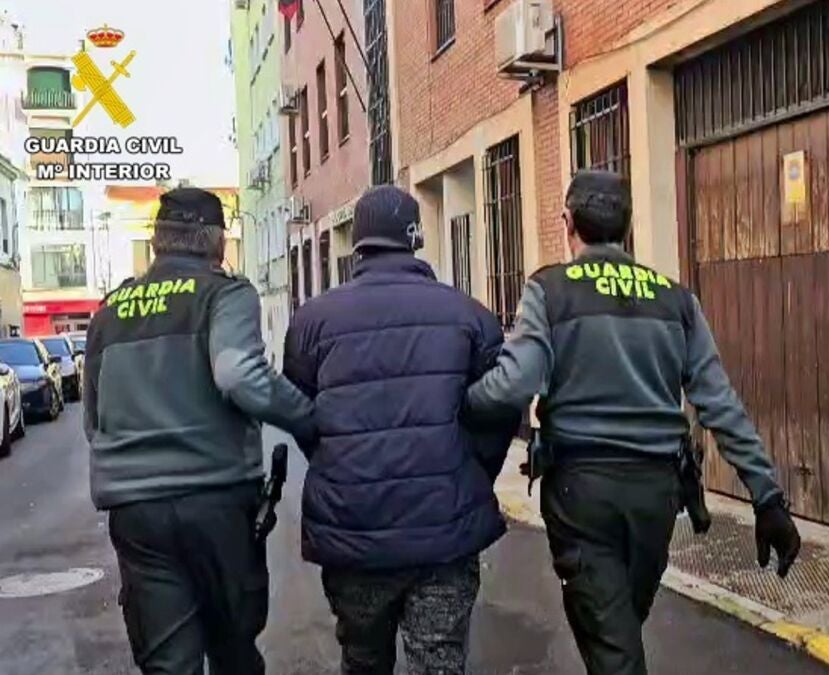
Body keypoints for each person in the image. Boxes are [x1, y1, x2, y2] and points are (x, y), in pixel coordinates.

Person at [465, 170, 803, 675]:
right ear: (627, 226)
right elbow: (719, 403)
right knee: (620, 632)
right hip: (656, 496)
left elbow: (515, 382)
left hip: (582, 495)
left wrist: (463, 402)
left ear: (567, 222)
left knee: (614, 646)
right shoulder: (674, 299)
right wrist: (767, 496)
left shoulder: (549, 290)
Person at [283, 185, 518, 675]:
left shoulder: (312, 321)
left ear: (358, 243)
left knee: (363, 659)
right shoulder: (469, 314)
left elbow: (300, 413)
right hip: (444, 527)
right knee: (439, 661)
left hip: (352, 527)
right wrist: (472, 473)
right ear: (415, 238)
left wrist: (336, 462)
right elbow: (501, 408)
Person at [84, 188, 316, 674]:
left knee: (168, 663)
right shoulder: (224, 294)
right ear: (216, 242)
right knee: (232, 649)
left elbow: (94, 420)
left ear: (157, 241)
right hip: (216, 499)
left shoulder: (109, 312)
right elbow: (238, 374)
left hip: (136, 510)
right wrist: (310, 420)